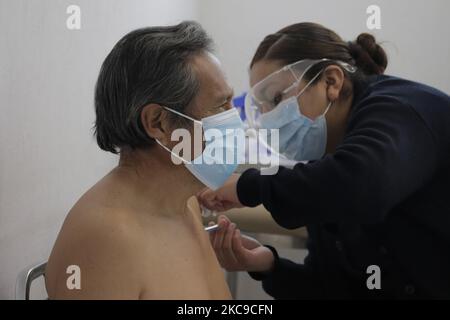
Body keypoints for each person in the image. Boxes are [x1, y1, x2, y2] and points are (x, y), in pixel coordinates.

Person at [198, 22, 450, 299]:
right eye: (262, 109)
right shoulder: (324, 172)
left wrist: (246, 187)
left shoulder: (402, 110)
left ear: (331, 81)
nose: (269, 118)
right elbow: (333, 287)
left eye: (277, 98)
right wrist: (267, 265)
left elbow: (363, 187)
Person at [45, 21, 236, 299]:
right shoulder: (105, 239)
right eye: (221, 106)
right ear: (158, 123)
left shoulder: (184, 201)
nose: (235, 119)